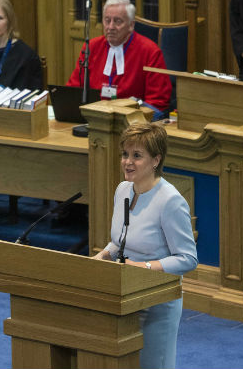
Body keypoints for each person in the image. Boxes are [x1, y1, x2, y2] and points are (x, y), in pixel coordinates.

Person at [93, 123, 197, 369]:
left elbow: (187, 258)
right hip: (122, 296)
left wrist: (141, 267)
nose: (128, 162)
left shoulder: (170, 201)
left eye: (137, 156)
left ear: (156, 160)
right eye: (125, 154)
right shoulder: (123, 191)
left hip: (156, 303)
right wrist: (105, 254)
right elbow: (120, 240)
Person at [66, 0, 171, 114]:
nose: (111, 27)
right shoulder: (91, 47)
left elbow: (157, 103)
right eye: (107, 20)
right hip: (93, 117)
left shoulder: (150, 52)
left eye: (118, 21)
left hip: (131, 123)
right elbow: (74, 89)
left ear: (131, 25)